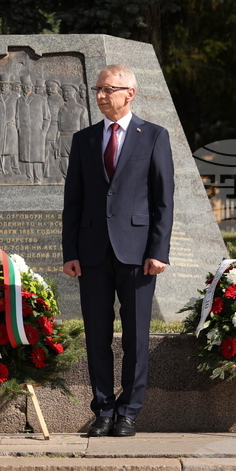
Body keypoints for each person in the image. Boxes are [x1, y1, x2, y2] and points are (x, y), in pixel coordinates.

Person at [61, 64, 173, 438]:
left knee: (136, 337)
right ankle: (103, 410)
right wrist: (70, 251)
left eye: (108, 89)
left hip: (139, 254)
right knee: (97, 334)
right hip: (92, 253)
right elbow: (72, 202)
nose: (100, 96)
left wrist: (158, 250)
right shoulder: (84, 140)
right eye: (98, 89)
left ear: (130, 93)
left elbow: (163, 201)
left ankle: (129, 412)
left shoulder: (154, 136)